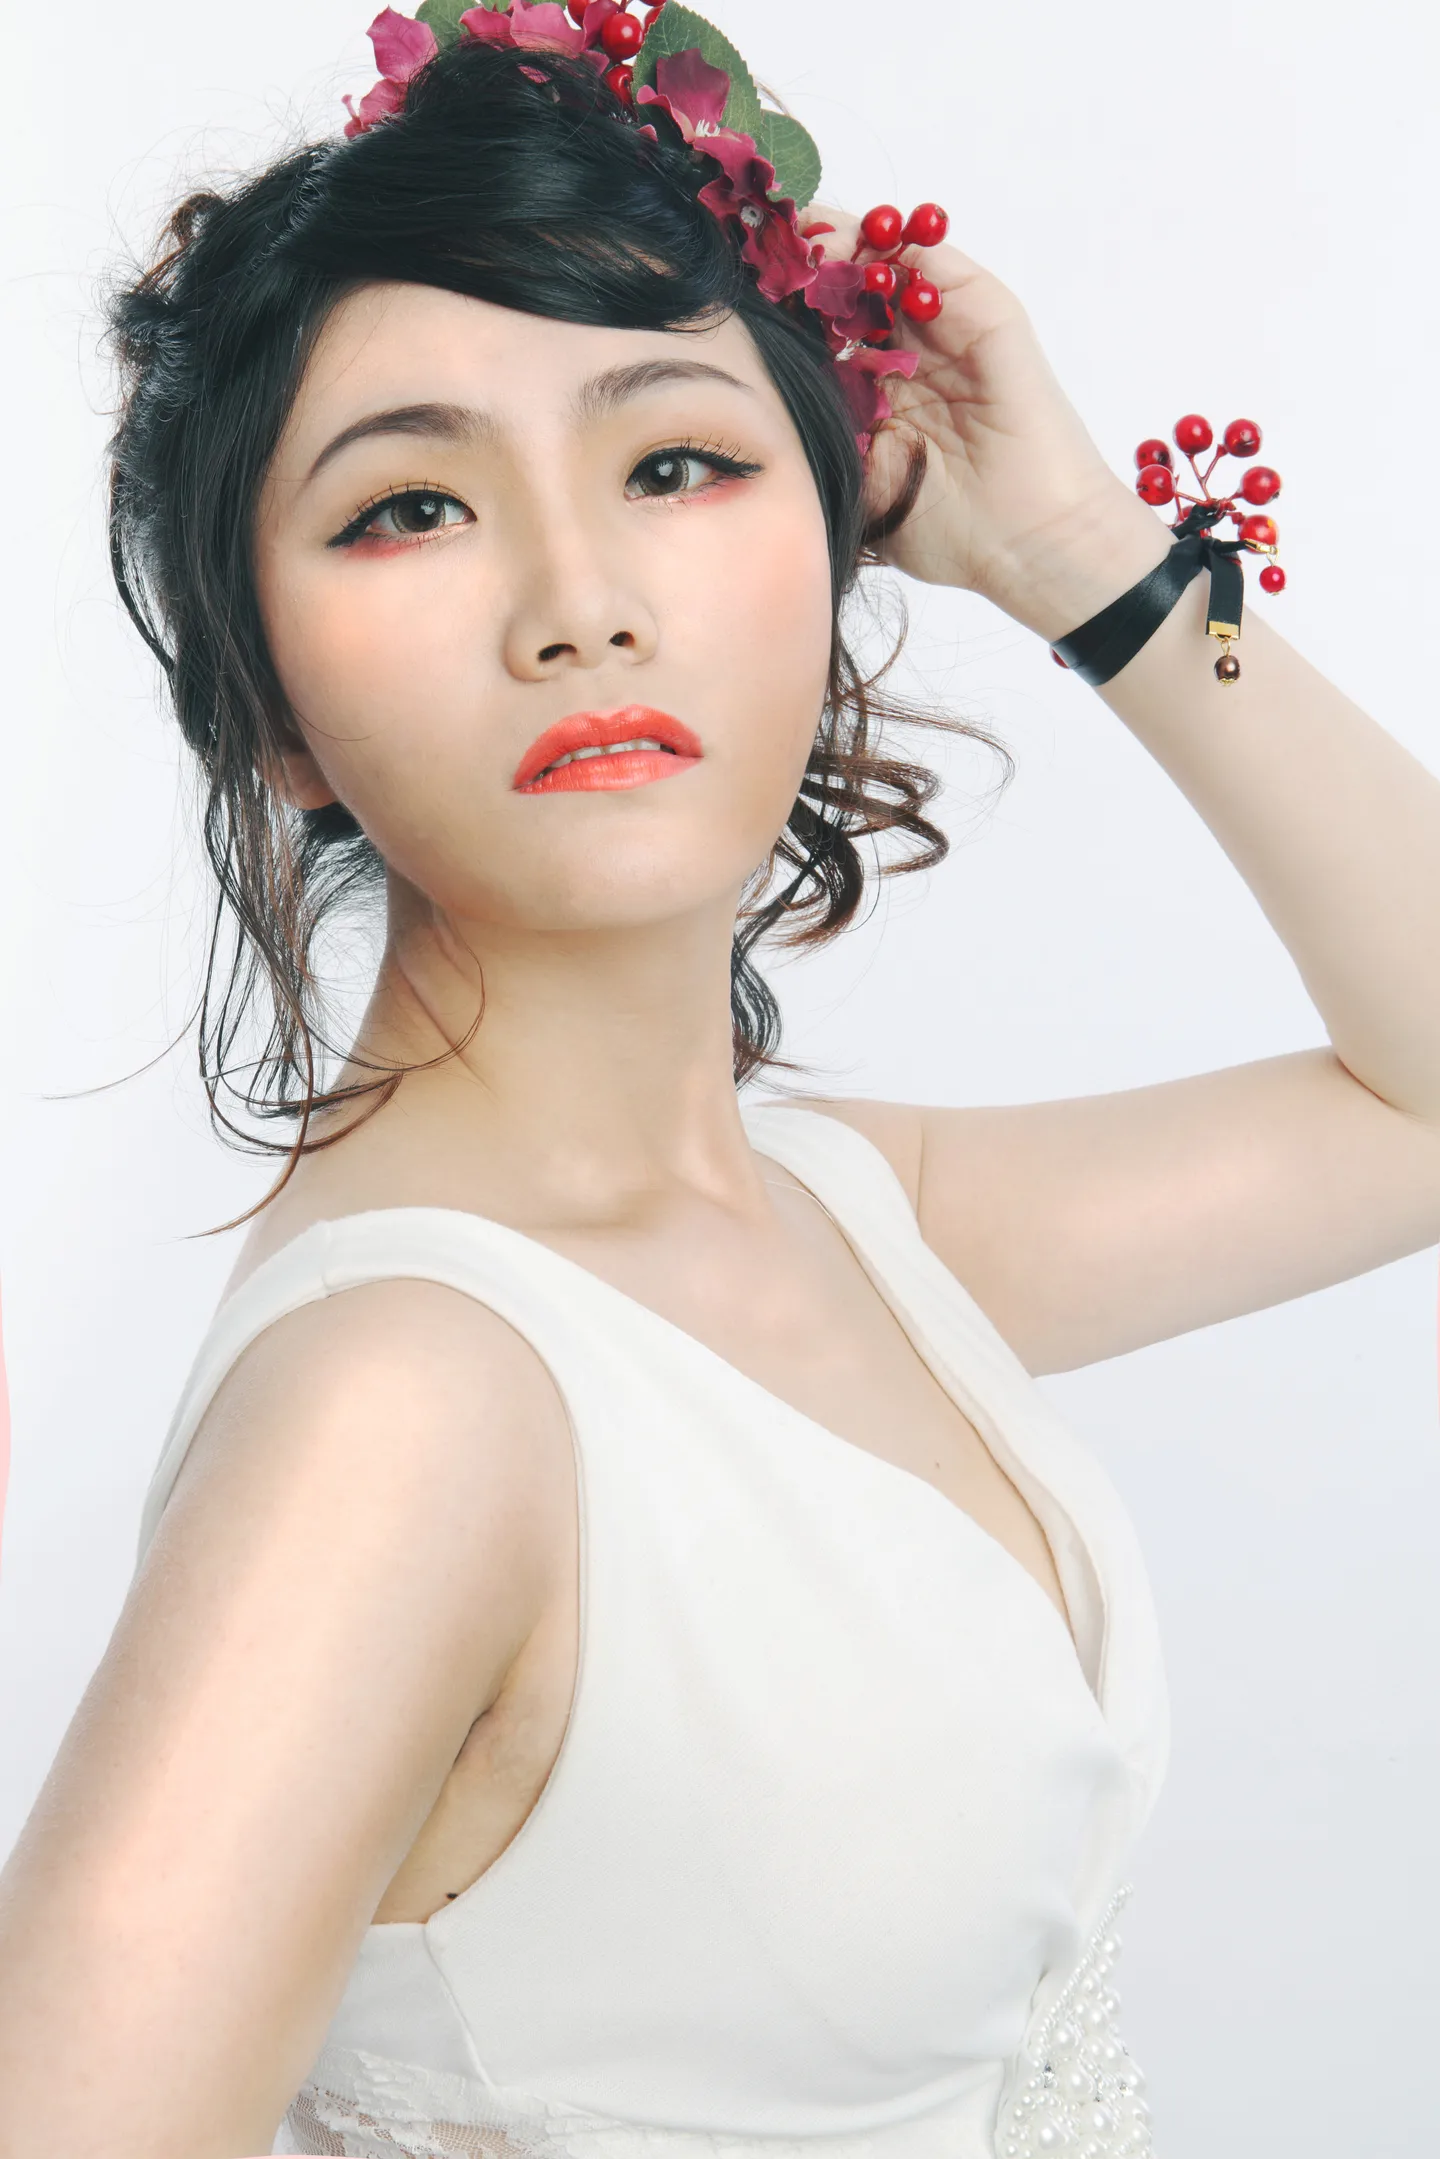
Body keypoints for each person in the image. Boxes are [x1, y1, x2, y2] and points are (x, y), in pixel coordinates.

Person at [1, 15, 1438, 2159]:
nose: (580, 604)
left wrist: (1088, 557)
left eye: (674, 464)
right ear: (269, 712)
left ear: (836, 548)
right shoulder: (403, 1410)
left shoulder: (846, 1221)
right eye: (409, 507)